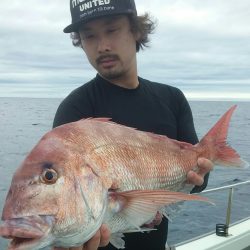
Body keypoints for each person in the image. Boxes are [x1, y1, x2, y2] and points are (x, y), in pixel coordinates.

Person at [53, 0, 213, 249]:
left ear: (136, 31)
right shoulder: (75, 110)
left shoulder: (172, 99)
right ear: (80, 42)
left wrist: (200, 175)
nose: (102, 46)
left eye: (112, 30)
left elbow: (200, 181)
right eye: (89, 36)